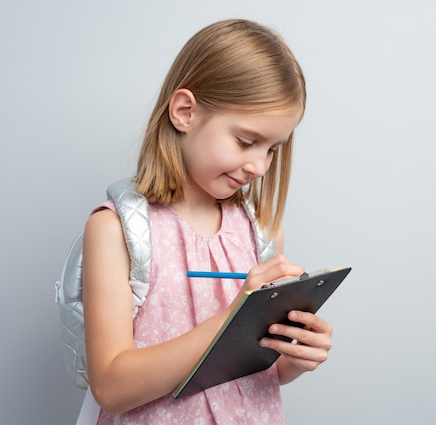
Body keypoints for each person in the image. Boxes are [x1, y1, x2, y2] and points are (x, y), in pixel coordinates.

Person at [81, 18, 334, 424]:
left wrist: (295, 359)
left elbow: (250, 375)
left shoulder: (262, 232)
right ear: (184, 112)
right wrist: (233, 317)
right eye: (246, 141)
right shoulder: (115, 231)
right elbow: (112, 389)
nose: (259, 166)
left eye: (273, 149)